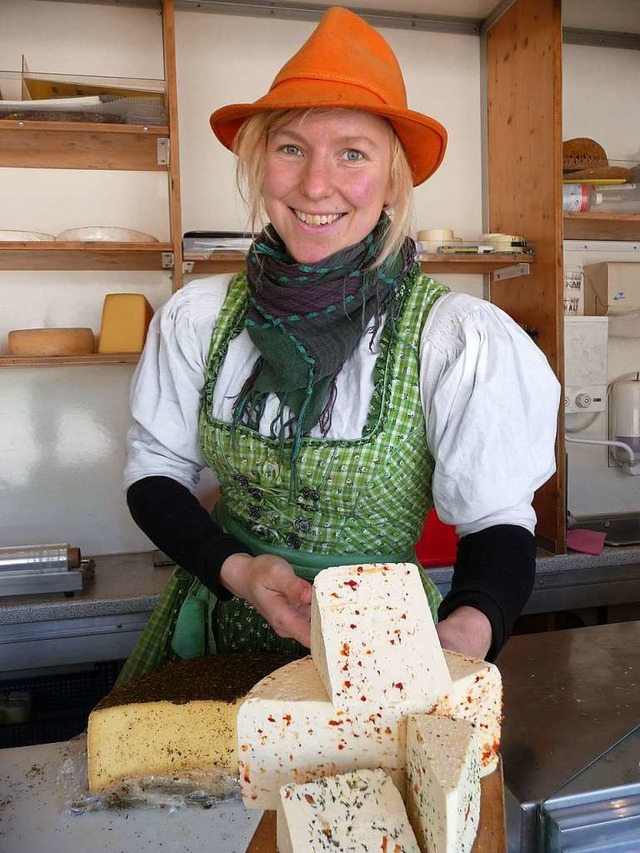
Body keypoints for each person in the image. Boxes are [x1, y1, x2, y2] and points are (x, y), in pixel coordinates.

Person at [117, 6, 560, 686]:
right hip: (217, 640)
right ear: (260, 163)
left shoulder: (452, 339)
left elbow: (496, 523)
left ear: (392, 179)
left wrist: (465, 632)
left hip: (381, 654)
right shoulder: (198, 319)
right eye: (291, 147)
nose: (315, 184)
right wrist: (238, 568)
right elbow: (154, 475)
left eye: (352, 152)